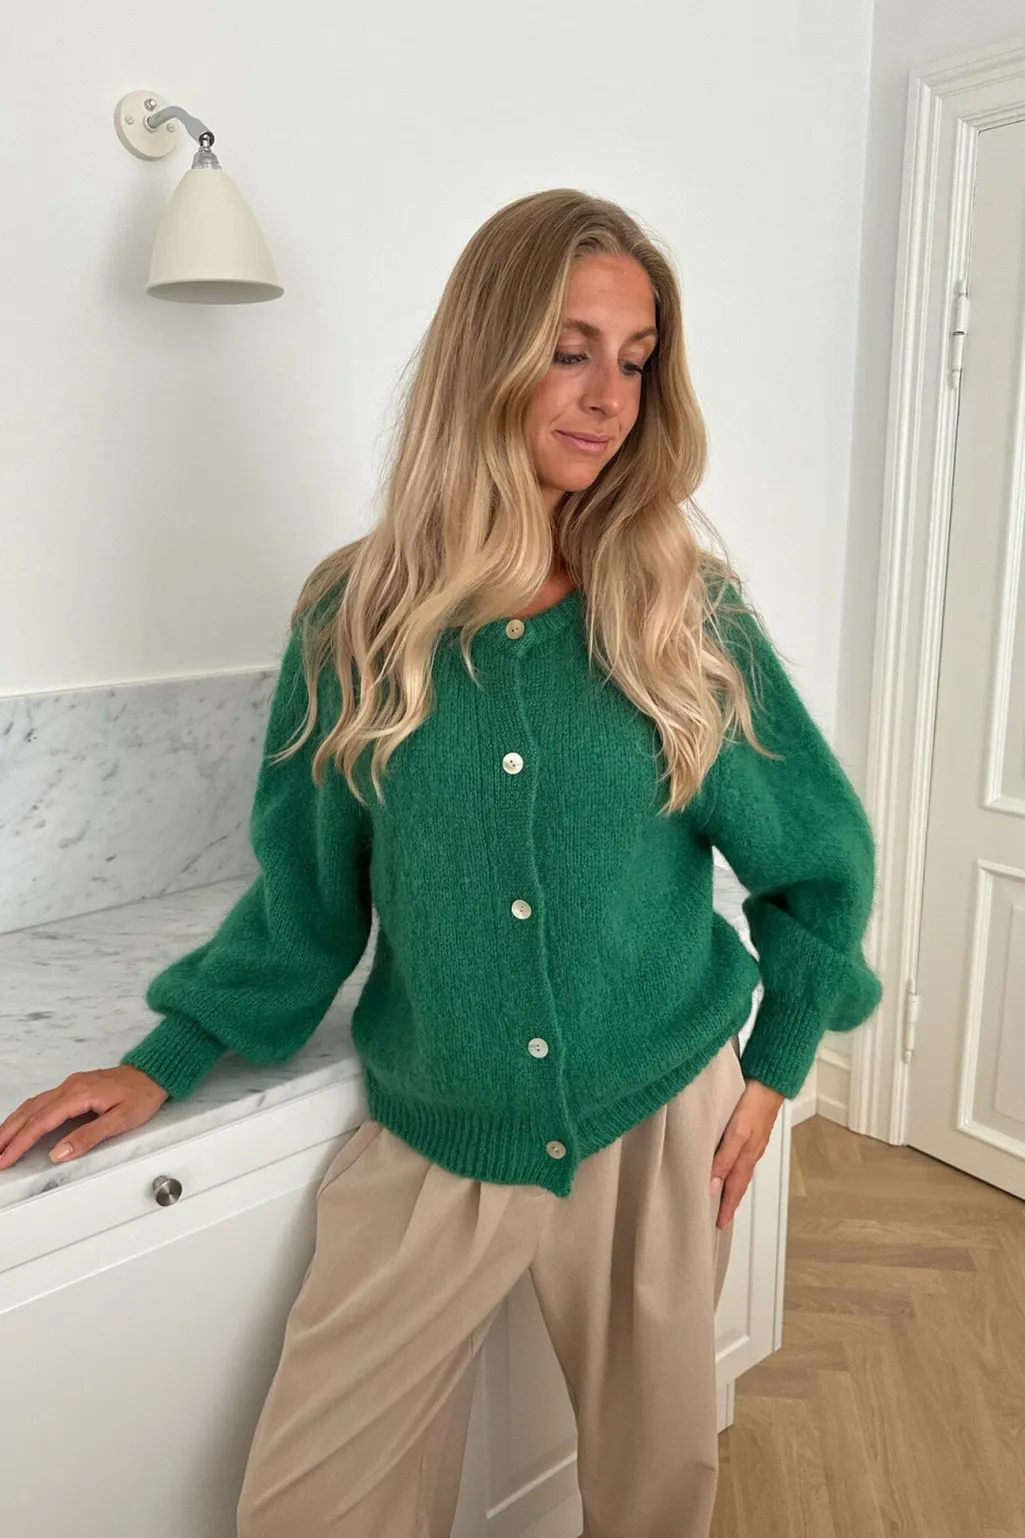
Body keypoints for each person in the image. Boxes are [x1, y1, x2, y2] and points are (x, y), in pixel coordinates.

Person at [0, 188, 883, 1538]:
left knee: (656, 1494)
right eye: (570, 350)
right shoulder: (353, 615)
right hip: (435, 1132)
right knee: (309, 1505)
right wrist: (163, 1059)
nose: (608, 398)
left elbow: (817, 859)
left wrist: (773, 1067)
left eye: (637, 360)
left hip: (659, 1120)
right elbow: (303, 906)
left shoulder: (679, 609)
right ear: (490, 352)